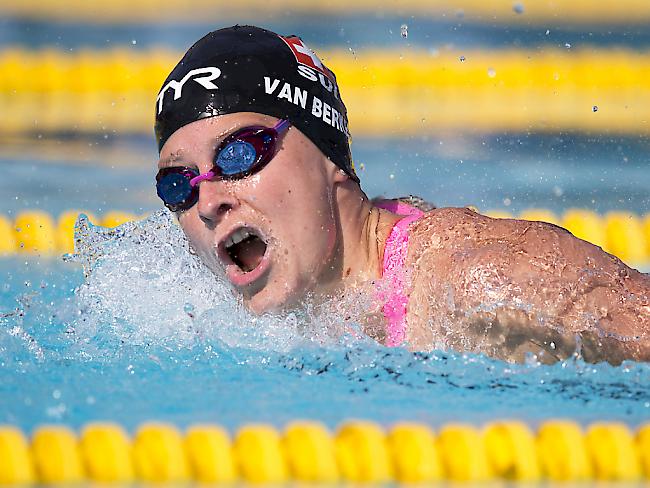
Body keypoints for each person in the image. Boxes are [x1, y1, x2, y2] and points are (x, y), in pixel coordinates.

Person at [154, 25, 649, 364]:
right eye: (177, 183)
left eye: (239, 154)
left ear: (331, 159)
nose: (208, 200)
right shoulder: (209, 325)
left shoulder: (473, 280)